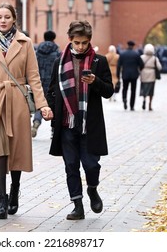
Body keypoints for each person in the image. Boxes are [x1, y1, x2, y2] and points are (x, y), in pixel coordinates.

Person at [0, 2, 53, 219]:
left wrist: (42, 105)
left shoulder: (25, 43)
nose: (3, 20)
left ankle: (15, 190)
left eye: (7, 17)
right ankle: (1, 199)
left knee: (16, 148)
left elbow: (33, 77)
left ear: (14, 19)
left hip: (17, 102)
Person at [46, 20, 114, 220]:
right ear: (70, 40)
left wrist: (96, 82)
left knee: (91, 164)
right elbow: (51, 90)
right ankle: (77, 205)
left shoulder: (98, 62)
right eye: (77, 43)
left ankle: (92, 189)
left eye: (84, 43)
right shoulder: (59, 62)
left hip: (89, 124)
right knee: (71, 165)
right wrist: (51, 109)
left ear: (89, 41)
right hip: (66, 124)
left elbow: (109, 91)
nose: (81, 47)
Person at [31, 30, 61, 138]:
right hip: (53, 83)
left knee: (40, 104)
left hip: (40, 81)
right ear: (54, 38)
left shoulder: (37, 51)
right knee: (54, 105)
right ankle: (54, 130)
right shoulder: (57, 52)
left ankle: (36, 122)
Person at [117, 40, 144, 111]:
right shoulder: (136, 54)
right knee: (133, 90)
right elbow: (142, 64)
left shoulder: (122, 54)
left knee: (125, 88)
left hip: (125, 74)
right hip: (134, 75)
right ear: (133, 46)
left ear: (127, 45)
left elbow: (119, 65)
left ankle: (124, 99)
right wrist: (139, 70)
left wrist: (118, 75)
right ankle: (132, 106)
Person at [140, 44, 162, 111]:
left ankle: (144, 99)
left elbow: (139, 66)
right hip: (152, 75)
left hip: (143, 74)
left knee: (144, 89)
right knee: (151, 91)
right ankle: (150, 104)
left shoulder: (141, 57)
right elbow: (159, 67)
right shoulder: (154, 58)